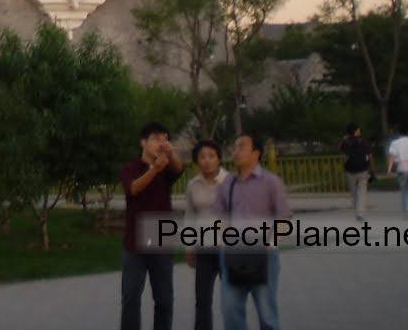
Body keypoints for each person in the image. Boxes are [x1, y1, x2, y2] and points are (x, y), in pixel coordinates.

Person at [214, 133, 291, 330]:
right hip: (233, 254)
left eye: (241, 147)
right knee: (231, 311)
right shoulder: (227, 184)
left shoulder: (271, 182)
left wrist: (272, 243)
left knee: (267, 314)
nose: (235, 152)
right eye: (234, 147)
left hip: (263, 254)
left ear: (256, 153)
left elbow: (283, 218)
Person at [121, 121, 184, 330]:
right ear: (143, 142)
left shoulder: (167, 168)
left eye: (165, 138)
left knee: (165, 300)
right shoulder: (130, 168)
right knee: (131, 298)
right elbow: (133, 189)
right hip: (135, 241)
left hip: (161, 237)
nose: (161, 143)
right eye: (156, 138)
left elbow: (179, 168)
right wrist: (154, 170)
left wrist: (171, 154)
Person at [183, 140, 227, 330]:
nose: (207, 161)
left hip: (228, 249)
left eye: (211, 156)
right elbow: (190, 216)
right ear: (196, 161)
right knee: (202, 300)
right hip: (204, 248)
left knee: (232, 300)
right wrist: (189, 246)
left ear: (219, 159)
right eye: (202, 157)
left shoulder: (231, 182)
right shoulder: (193, 185)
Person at [339, 123, 372, 219]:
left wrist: (344, 138)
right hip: (363, 169)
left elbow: (340, 149)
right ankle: (360, 213)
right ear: (355, 131)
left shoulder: (345, 141)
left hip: (350, 169)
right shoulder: (364, 141)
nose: (359, 131)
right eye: (358, 129)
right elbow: (369, 155)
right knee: (362, 192)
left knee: (354, 192)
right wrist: (371, 168)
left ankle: (357, 211)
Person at [387, 126, 408, 219]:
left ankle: (407, 214)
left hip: (401, 168)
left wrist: (389, 169)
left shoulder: (395, 143)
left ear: (399, 133)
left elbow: (391, 157)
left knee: (405, 192)